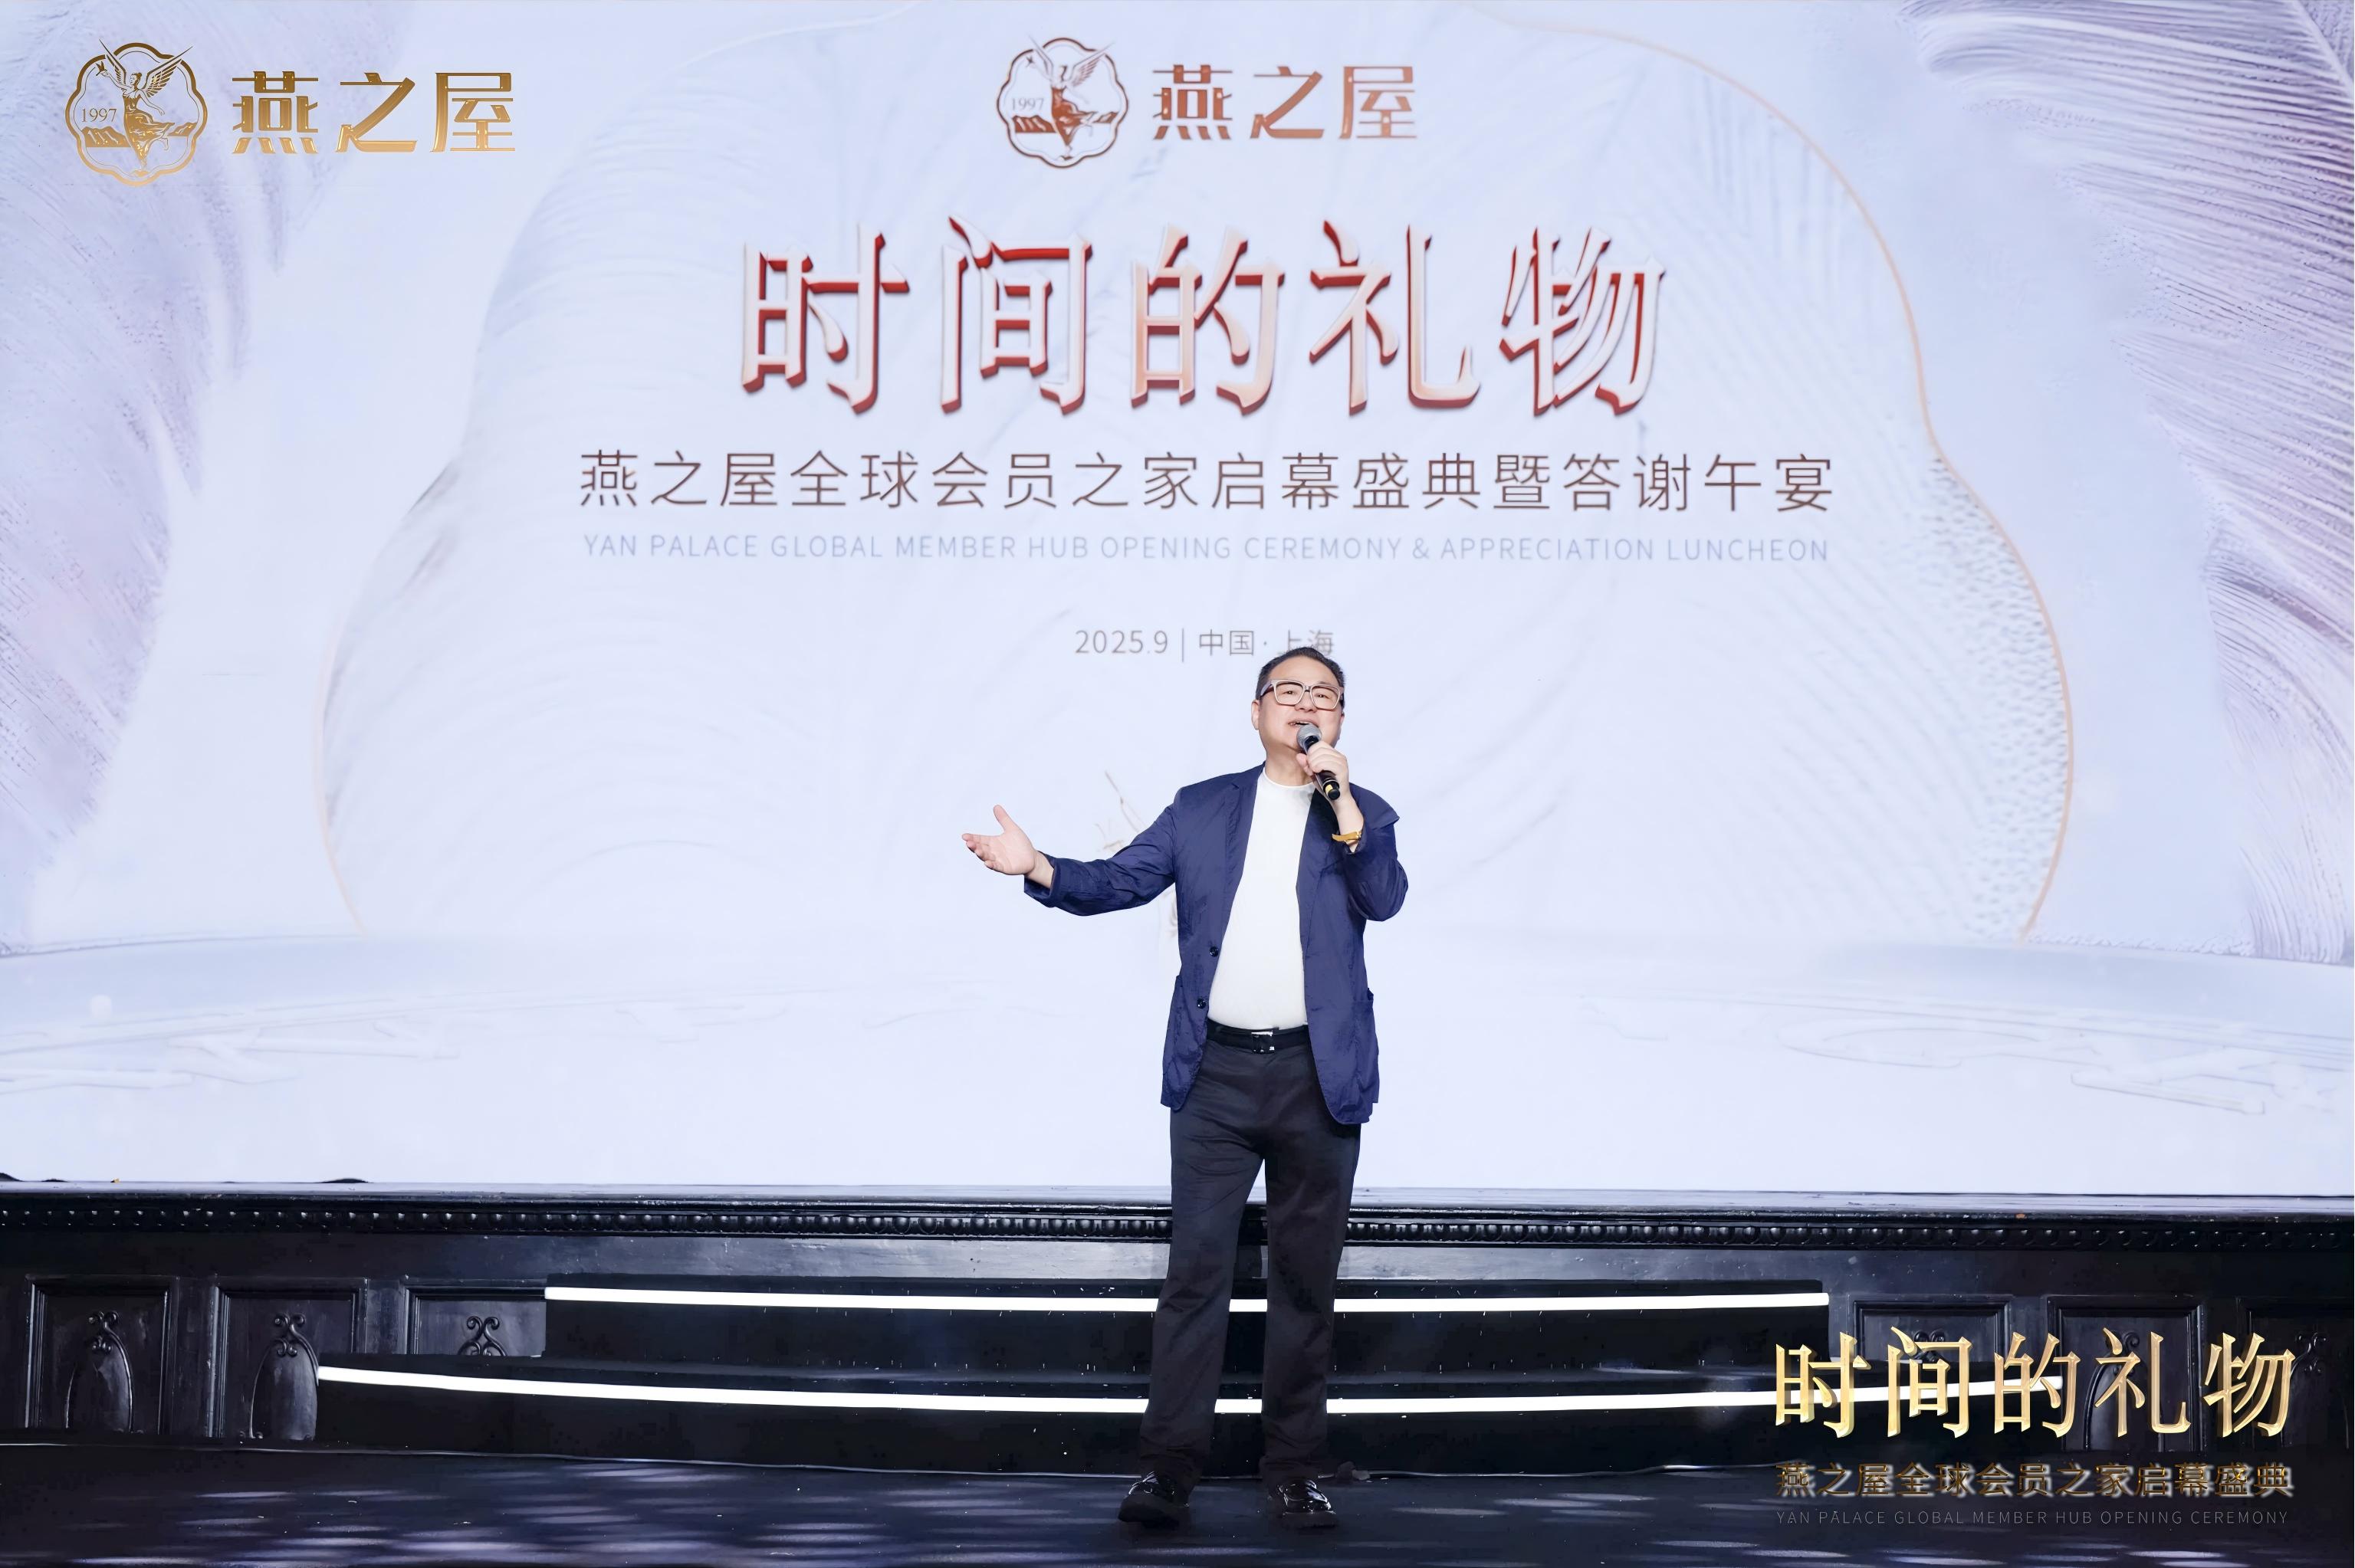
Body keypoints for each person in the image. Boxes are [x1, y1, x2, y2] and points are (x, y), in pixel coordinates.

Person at [961, 647, 1406, 1531]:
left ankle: (1294, 1471)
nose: (1306, 705)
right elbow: (1121, 880)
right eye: (1289, 691)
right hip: (1216, 1078)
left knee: (1305, 1287)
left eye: (1324, 696)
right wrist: (1039, 866)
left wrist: (1347, 812)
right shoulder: (1203, 808)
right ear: (1257, 711)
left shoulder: (1364, 812)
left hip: (1319, 1078)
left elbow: (1385, 898)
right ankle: (1168, 1471)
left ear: (1339, 721)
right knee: (1195, 1280)